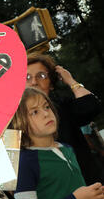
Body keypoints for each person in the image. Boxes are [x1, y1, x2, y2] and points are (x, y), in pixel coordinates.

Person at [12, 87, 104, 199]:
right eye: (35, 112)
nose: (46, 114)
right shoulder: (25, 163)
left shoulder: (66, 148)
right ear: (20, 122)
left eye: (47, 107)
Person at [26, 53, 102, 184]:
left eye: (41, 76)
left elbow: (92, 106)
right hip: (53, 196)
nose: (33, 82)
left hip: (89, 184)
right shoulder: (13, 122)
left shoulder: (63, 107)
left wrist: (70, 80)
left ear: (51, 84)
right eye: (27, 77)